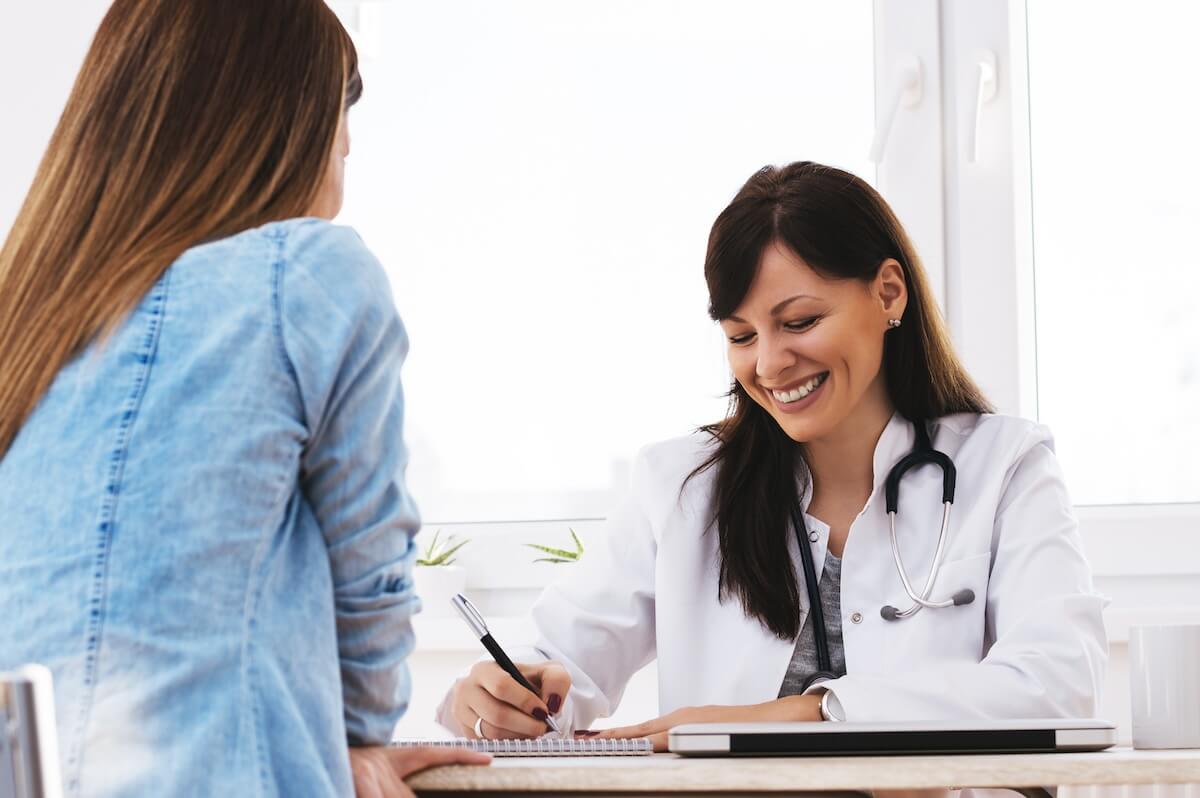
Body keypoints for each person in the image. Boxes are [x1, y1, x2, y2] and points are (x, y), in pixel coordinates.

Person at [439, 162, 1108, 752]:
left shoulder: (1006, 467)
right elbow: (554, 662)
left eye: (799, 322)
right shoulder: (681, 489)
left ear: (888, 293)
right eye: (740, 335)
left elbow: (1057, 684)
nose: (767, 363)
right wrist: (501, 699)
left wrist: (808, 713)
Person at [0, 1, 486, 795]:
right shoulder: (307, 274)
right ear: (273, 121)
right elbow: (370, 570)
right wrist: (356, 737)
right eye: (341, 110)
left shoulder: (27, 316)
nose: (350, 142)